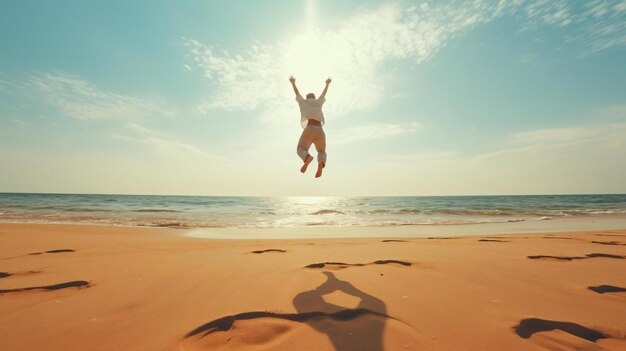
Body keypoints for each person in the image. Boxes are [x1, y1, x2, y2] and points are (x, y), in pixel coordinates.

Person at [289, 75, 331, 178]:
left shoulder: (304, 102)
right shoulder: (318, 102)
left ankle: (307, 157)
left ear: (307, 98)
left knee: (300, 148)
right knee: (321, 151)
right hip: (320, 130)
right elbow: (324, 93)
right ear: (314, 98)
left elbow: (297, 93)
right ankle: (320, 165)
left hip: (310, 128)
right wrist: (327, 84)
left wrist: (293, 83)